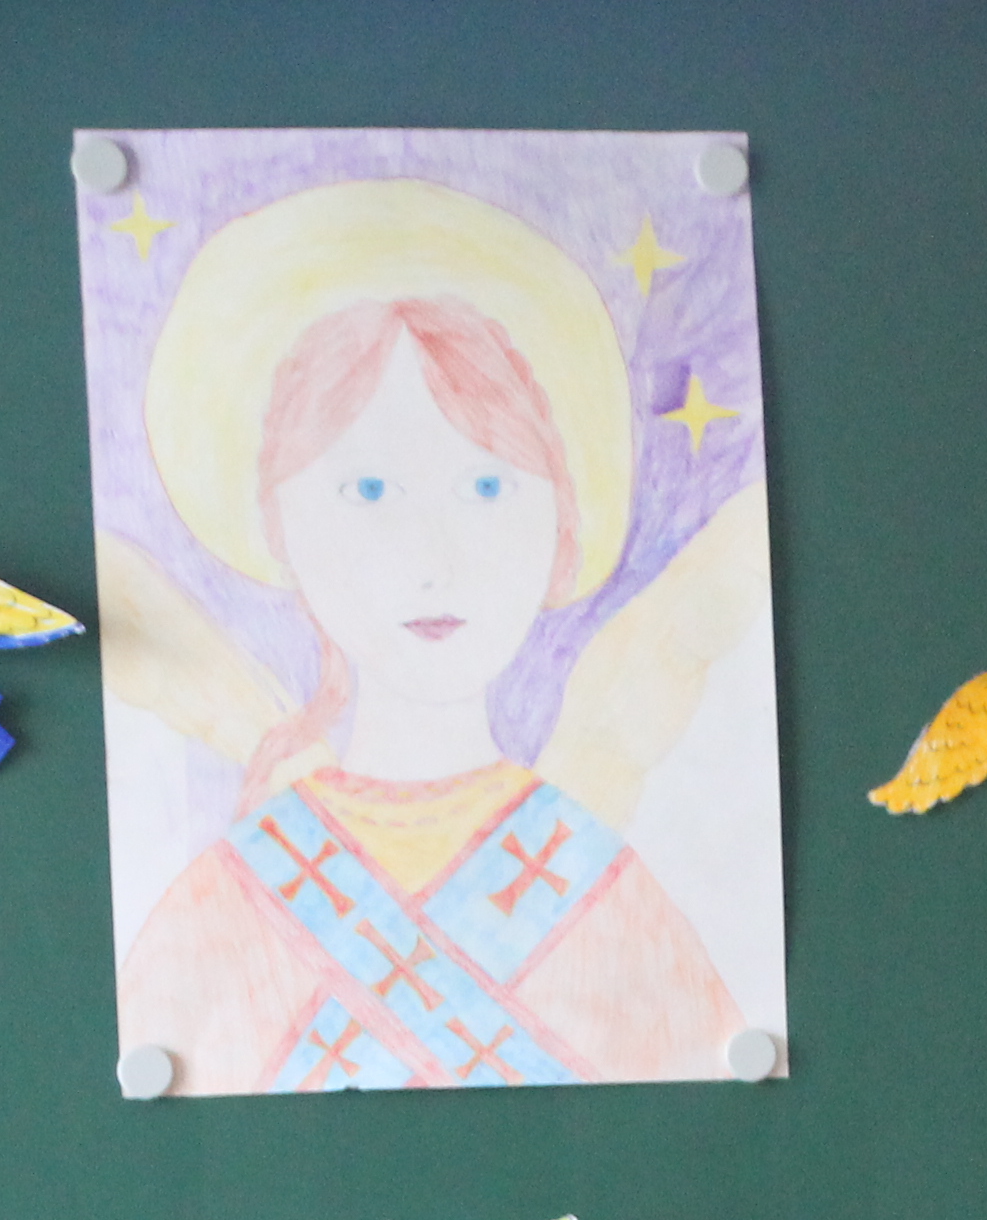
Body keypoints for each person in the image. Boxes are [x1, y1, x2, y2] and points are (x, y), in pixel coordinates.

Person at [115, 279, 747, 1094]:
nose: (433, 559)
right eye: (369, 491)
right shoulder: (226, 899)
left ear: (560, 522)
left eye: (486, 487)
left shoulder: (602, 887)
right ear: (281, 527)